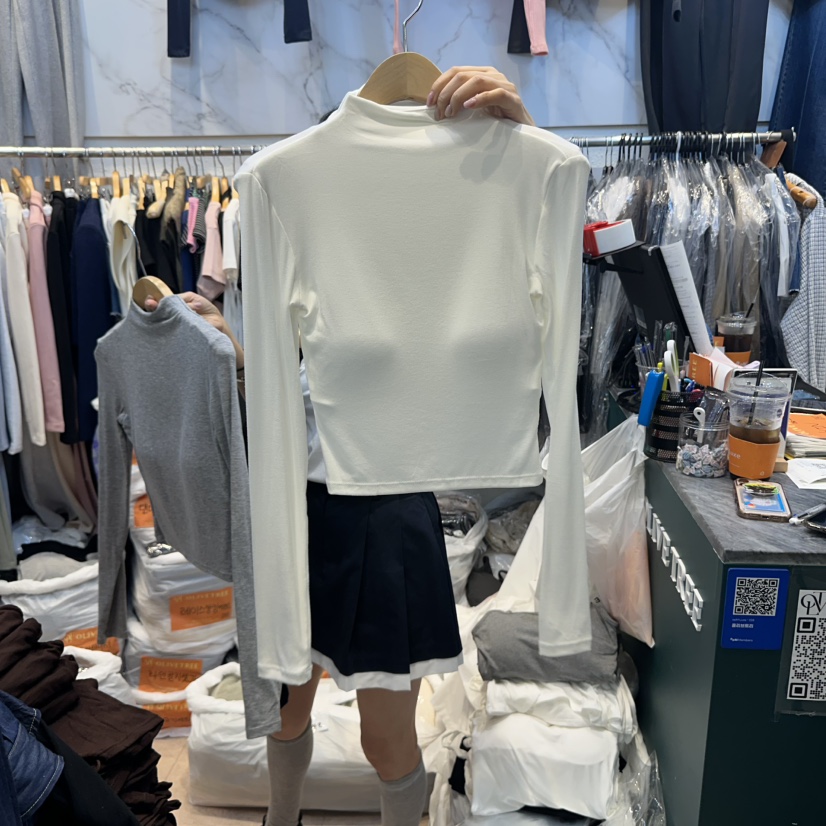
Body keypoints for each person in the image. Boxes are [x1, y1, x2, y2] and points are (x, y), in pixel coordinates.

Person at [146, 66, 535, 826]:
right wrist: (239, 355)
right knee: (283, 707)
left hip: (386, 517)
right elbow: (305, 394)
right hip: (296, 514)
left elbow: (518, 267)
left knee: (384, 738)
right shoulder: (305, 235)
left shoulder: (438, 254)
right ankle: (280, 819)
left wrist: (513, 145)